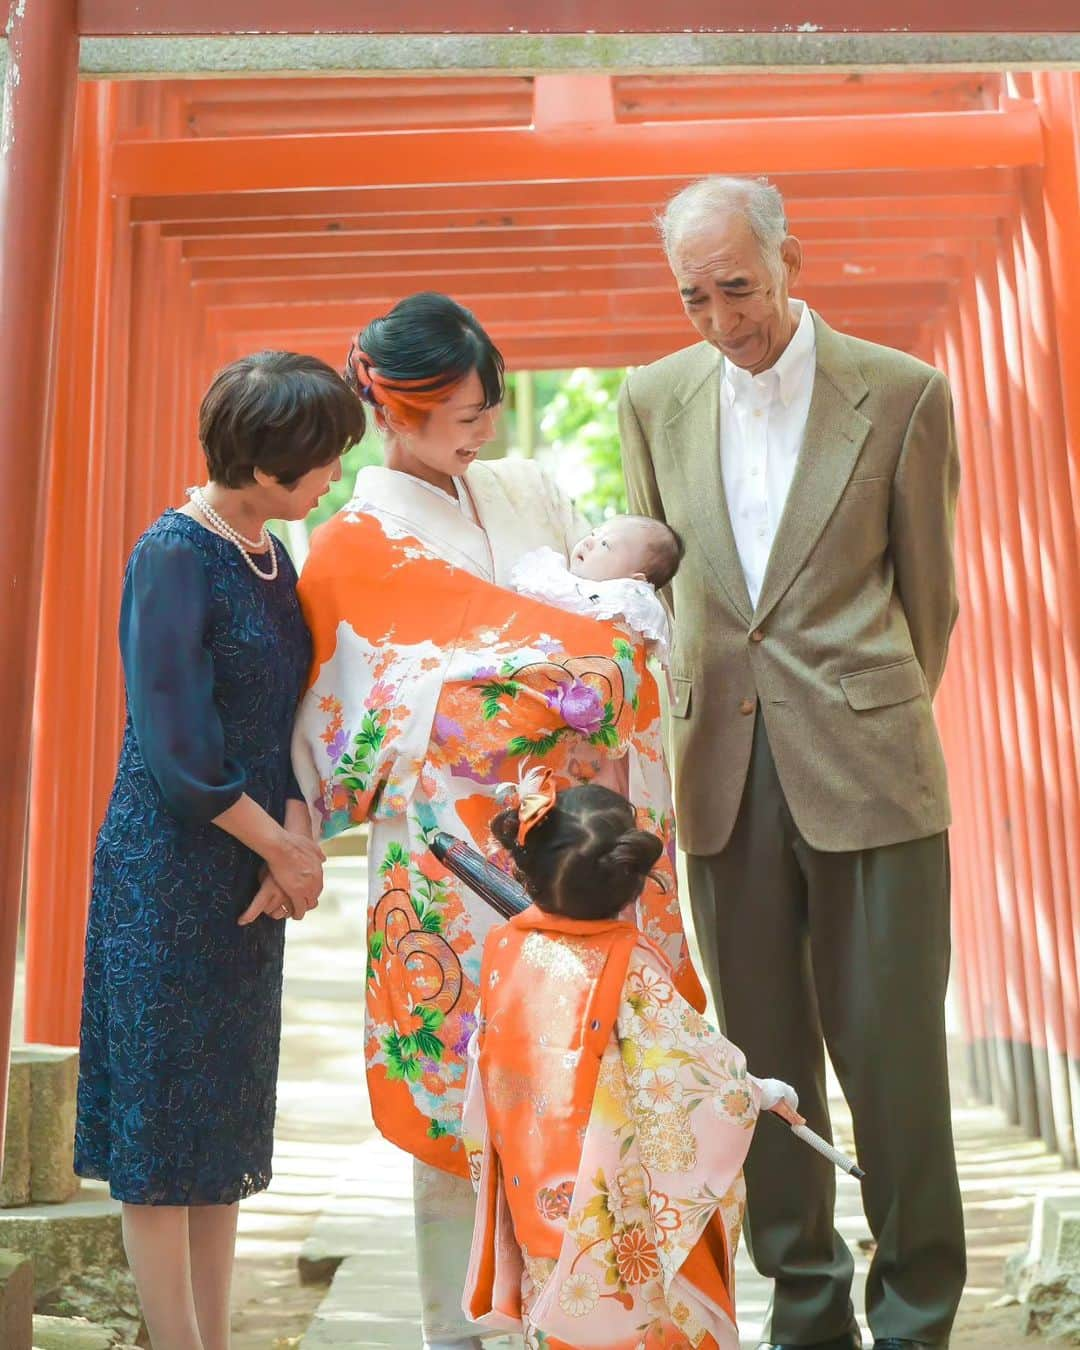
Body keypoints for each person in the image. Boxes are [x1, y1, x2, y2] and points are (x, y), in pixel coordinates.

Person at [291, 292, 704, 1350]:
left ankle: (597, 1319)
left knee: (597, 1086)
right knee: (462, 1105)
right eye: (463, 413)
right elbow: (354, 718)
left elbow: (618, 634)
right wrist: (529, 690)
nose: (484, 431)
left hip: (576, 845)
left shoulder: (526, 492)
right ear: (396, 407)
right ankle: (459, 1331)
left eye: (490, 408)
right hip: (448, 860)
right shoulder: (349, 542)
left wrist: (520, 683)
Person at [618, 176, 964, 1350]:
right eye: (693, 296)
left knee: (897, 1061)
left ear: (790, 261)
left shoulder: (904, 394)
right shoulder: (651, 396)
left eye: (739, 288)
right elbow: (655, 584)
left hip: (872, 770)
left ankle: (915, 1316)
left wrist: (869, 713)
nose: (721, 318)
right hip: (720, 766)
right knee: (760, 1071)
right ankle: (805, 1316)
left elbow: (934, 602)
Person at [75, 352, 364, 1350]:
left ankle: (216, 1337)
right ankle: (176, 1340)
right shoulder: (172, 553)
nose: (334, 476)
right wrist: (282, 852)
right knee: (162, 1122)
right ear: (271, 461)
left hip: (252, 865)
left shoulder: (274, 554)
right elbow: (175, 753)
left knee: (226, 1116)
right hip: (168, 866)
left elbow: (295, 716)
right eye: (324, 459)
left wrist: (298, 843)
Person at [461, 777, 800, 1350]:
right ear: (632, 888)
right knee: (636, 1318)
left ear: (529, 868)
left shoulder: (505, 949)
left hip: (537, 1175)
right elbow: (692, 1070)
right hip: (615, 1204)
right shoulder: (627, 961)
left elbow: (486, 1060)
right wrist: (759, 1091)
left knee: (562, 1312)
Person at [510, 514, 684, 666]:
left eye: (605, 544)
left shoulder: (626, 603)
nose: (588, 542)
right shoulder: (553, 574)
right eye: (594, 533)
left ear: (634, 582)